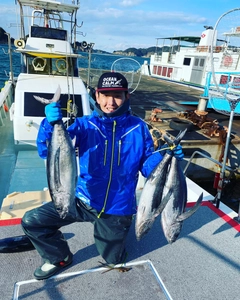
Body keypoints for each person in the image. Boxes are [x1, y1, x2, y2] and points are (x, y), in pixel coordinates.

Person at [21, 72, 184, 280]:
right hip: (81, 199)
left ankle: (118, 235)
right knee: (32, 221)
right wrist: (49, 124)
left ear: (126, 97)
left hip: (116, 208)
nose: (110, 102)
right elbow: (47, 151)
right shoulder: (83, 125)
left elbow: (147, 167)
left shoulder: (139, 128)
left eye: (117, 95)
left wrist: (166, 157)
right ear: (96, 97)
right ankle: (58, 257)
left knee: (114, 261)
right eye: (105, 95)